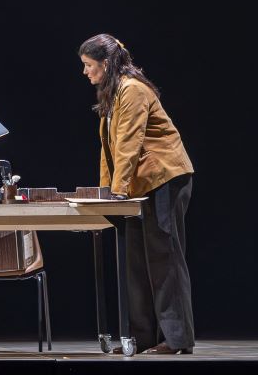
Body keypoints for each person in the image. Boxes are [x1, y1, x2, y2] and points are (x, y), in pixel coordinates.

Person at [80, 33, 195, 355]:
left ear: (105, 63)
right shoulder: (114, 93)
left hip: (163, 179)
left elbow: (130, 143)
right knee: (133, 260)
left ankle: (176, 339)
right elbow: (110, 151)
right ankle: (142, 336)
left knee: (164, 259)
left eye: (89, 65)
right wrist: (107, 194)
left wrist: (117, 192)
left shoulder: (132, 90)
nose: (85, 72)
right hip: (135, 186)